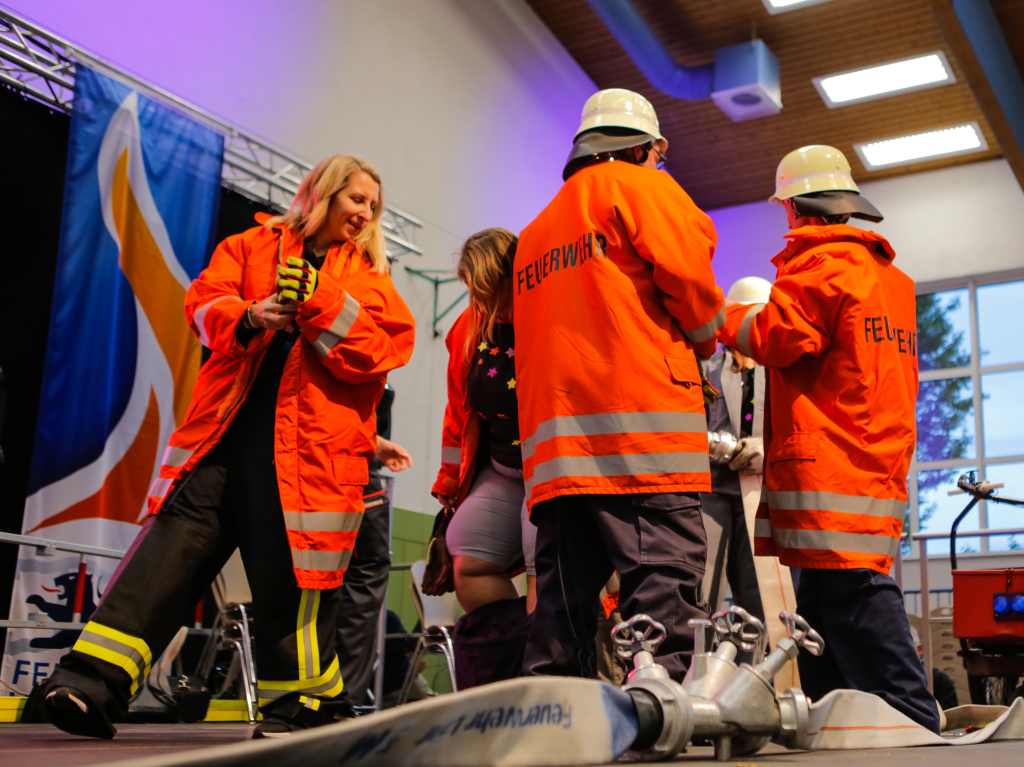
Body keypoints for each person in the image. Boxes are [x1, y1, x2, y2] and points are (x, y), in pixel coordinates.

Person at [42, 155, 416, 739]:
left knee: (293, 581)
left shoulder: (368, 276)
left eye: (373, 204)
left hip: (307, 459)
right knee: (166, 557)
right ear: (322, 192)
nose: (366, 212)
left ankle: (301, 709)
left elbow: (384, 350)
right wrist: (251, 314)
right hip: (220, 440)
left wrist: (318, 301)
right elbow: (202, 306)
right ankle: (88, 686)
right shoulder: (249, 247)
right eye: (357, 198)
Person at [717, 145, 940, 732]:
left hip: (830, 460)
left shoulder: (822, 270)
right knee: (819, 605)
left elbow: (772, 338)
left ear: (795, 209)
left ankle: (914, 716)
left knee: (854, 590)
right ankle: (831, 718)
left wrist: (719, 314)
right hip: (874, 455)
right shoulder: (890, 281)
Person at [515, 88, 723, 681]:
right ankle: (670, 719)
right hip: (640, 438)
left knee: (561, 612)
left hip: (558, 459)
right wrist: (706, 341)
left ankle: (556, 725)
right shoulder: (646, 188)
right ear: (646, 149)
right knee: (662, 591)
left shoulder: (536, 231)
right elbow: (692, 284)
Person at [432, 228, 537, 687]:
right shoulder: (469, 327)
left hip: (549, 466)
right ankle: (508, 672)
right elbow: (459, 411)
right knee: (467, 556)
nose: (482, 301)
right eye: (474, 291)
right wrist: (450, 485)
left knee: (544, 569)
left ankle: (546, 679)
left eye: (486, 288)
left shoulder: (549, 313)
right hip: (501, 467)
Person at [335, 384, 414, 710]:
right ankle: (344, 698)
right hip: (348, 468)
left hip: (352, 462)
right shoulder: (363, 354)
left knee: (357, 582)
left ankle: (341, 697)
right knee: (363, 577)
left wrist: (373, 441)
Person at [701, 277, 770, 621]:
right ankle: (700, 668)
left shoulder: (779, 374)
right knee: (704, 588)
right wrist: (715, 444)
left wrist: (765, 449)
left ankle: (755, 671)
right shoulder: (707, 369)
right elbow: (684, 424)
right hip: (712, 492)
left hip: (759, 492)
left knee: (759, 594)